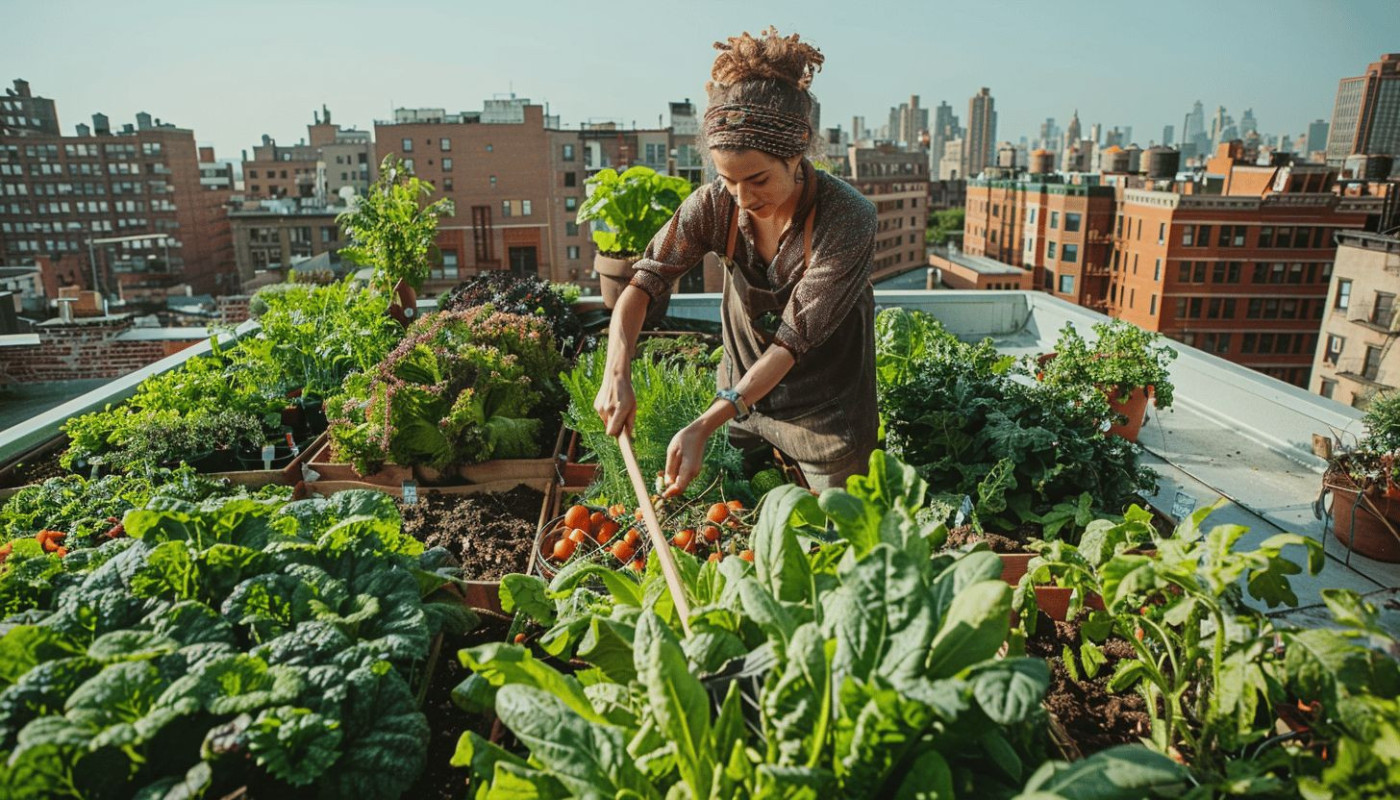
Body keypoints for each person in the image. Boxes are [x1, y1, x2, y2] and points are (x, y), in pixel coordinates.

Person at [594, 27, 878, 495]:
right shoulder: (714, 206)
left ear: (796, 152)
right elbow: (643, 283)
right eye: (729, 181)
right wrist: (616, 372)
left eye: (759, 180)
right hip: (741, 397)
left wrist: (704, 422)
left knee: (836, 537)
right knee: (735, 515)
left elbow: (792, 341)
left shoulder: (847, 218)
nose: (743, 199)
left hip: (824, 414)